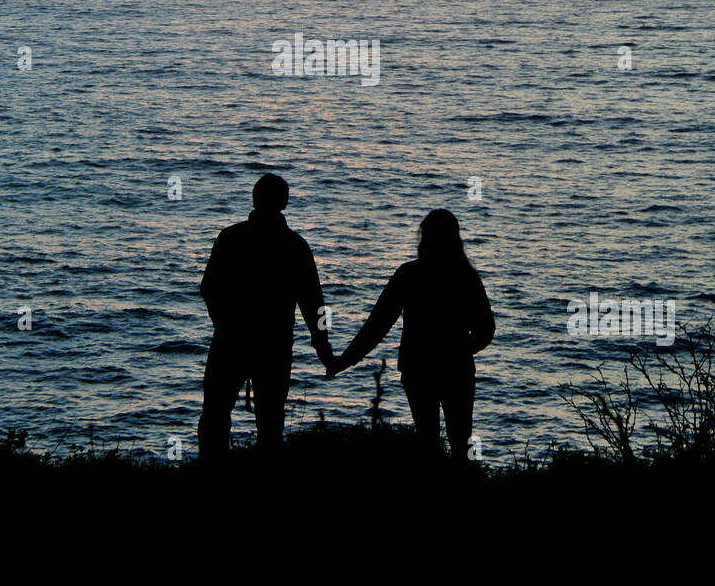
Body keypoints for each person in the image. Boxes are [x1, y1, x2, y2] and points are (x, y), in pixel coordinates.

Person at [331, 209, 494, 459]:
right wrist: (458, 350)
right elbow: (486, 330)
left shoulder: (409, 274)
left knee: (427, 440)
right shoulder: (466, 277)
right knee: (462, 442)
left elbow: (377, 325)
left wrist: (345, 359)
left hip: (418, 369)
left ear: (425, 238)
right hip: (456, 370)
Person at [197, 174, 334, 456]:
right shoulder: (295, 246)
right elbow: (315, 304)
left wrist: (223, 324)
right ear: (284, 202)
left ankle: (210, 471)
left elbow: (209, 288)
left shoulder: (231, 237)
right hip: (274, 345)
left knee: (215, 413)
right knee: (270, 420)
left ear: (254, 199)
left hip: (230, 341)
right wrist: (323, 344)